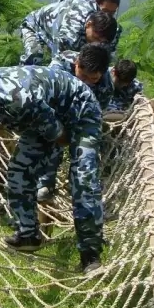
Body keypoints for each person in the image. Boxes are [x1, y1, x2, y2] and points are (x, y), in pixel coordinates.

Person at [0, 66, 104, 274]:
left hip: (80, 110)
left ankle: (90, 255)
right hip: (44, 118)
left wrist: (65, 154)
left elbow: (59, 136)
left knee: (82, 178)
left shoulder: (20, 101)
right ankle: (28, 234)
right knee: (19, 172)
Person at [37, 44, 111, 203]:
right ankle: (45, 184)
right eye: (83, 76)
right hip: (56, 111)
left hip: (83, 114)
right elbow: (47, 100)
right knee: (52, 140)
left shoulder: (105, 83)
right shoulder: (58, 67)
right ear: (76, 63)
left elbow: (98, 111)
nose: (86, 83)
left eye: (93, 79)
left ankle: (79, 185)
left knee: (86, 148)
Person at [19, 0, 121, 66]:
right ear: (95, 5)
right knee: (34, 57)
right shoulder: (74, 23)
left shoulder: (112, 28)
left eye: (112, 13)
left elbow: (103, 62)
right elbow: (60, 62)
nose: (107, 16)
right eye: (105, 11)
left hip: (60, 34)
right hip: (35, 25)